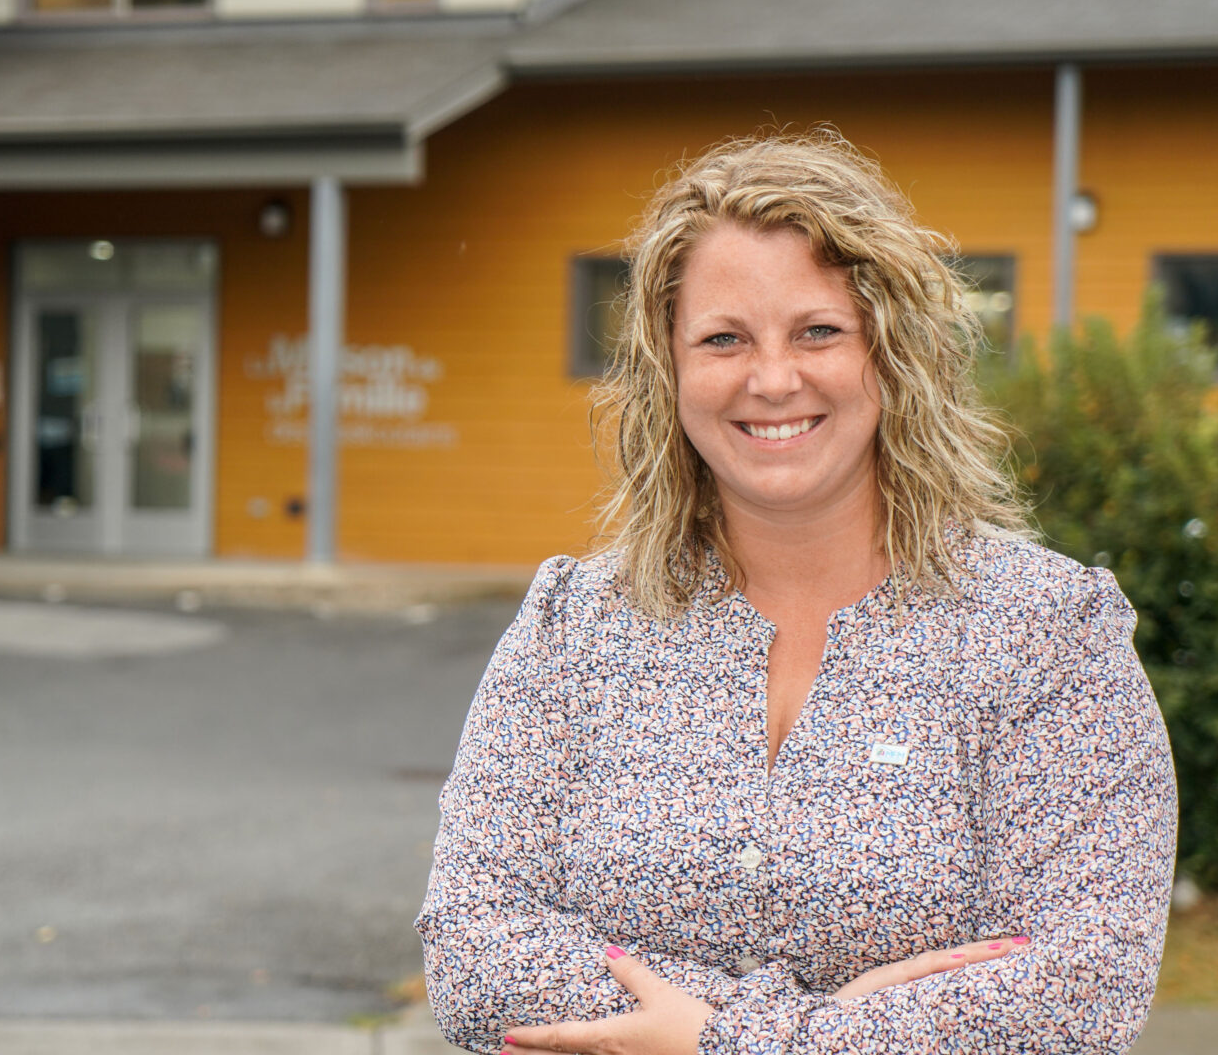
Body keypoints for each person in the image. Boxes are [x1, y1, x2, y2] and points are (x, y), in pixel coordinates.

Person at [415, 129, 1178, 1055]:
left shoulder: (1047, 633)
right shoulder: (573, 625)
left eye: (818, 331)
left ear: (892, 351)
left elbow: (1080, 990)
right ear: (670, 369)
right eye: (723, 339)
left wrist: (713, 1040)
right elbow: (472, 949)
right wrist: (837, 1031)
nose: (772, 380)